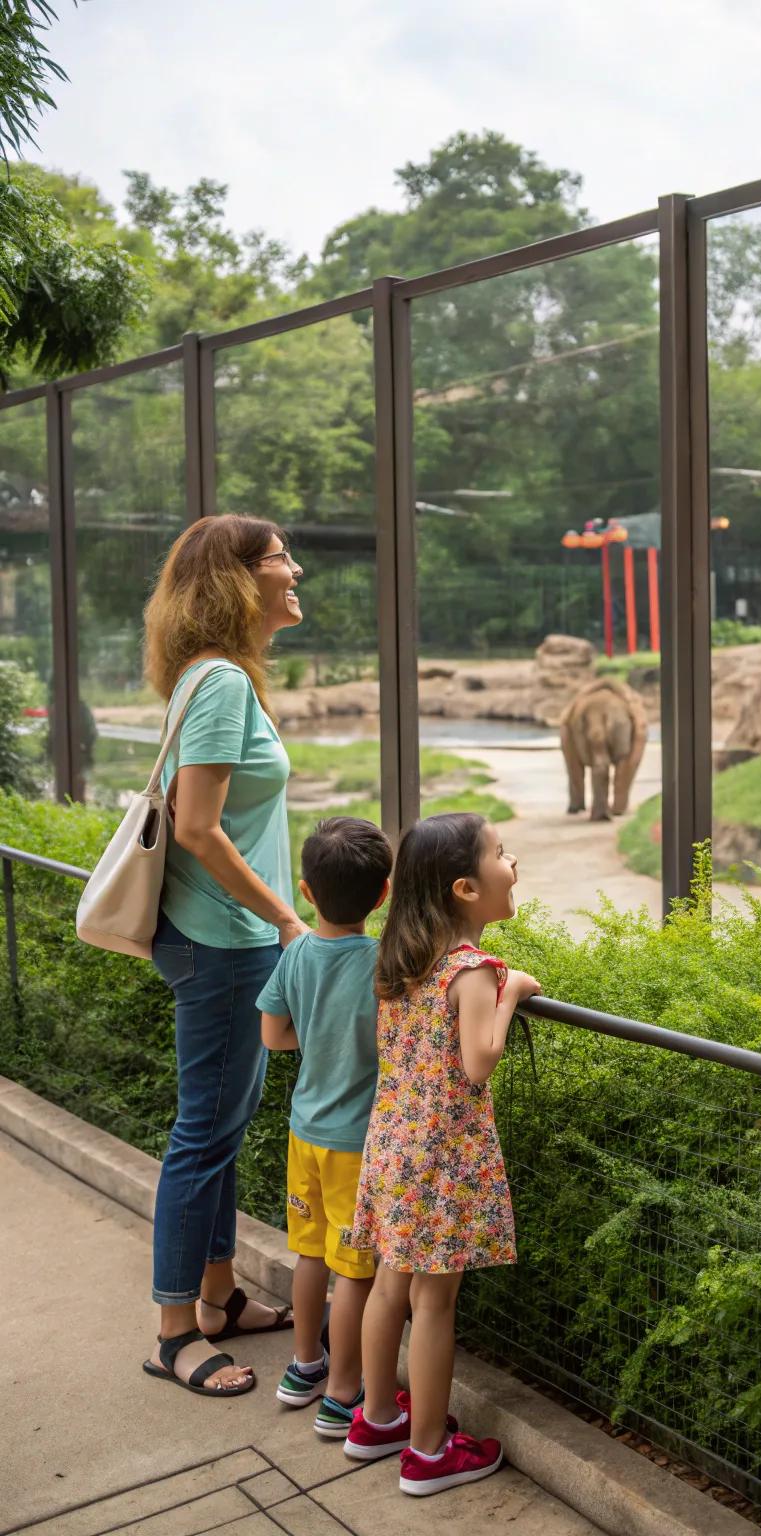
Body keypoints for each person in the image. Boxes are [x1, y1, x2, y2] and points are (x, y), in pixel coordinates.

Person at [141, 515, 308, 1398]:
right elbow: (198, 825)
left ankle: (216, 1299)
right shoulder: (220, 686)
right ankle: (173, 1332)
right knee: (201, 1135)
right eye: (281, 557)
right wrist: (287, 919)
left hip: (227, 940)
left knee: (221, 1130)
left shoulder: (224, 680)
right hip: (223, 944)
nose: (296, 569)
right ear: (238, 579)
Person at [343, 812, 541, 1497]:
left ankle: (375, 1419)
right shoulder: (472, 969)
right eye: (500, 854)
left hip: (393, 1145)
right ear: (464, 887)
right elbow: (480, 1060)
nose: (512, 865)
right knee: (433, 1303)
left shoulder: (404, 960)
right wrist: (511, 987)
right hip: (441, 1162)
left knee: (390, 1284)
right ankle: (428, 1453)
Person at [258, 816, 393, 1437]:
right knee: (355, 1269)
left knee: (310, 1253)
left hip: (304, 1132)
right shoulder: (384, 966)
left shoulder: (297, 954)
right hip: (356, 1145)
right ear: (384, 893)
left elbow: (274, 1036)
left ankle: (304, 1365)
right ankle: (343, 1395)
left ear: (306, 892)